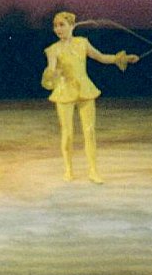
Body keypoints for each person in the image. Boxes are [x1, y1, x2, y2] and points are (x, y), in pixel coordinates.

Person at [42, 11, 138, 184]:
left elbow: (100, 57)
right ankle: (68, 169)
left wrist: (122, 58)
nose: (58, 29)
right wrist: (52, 73)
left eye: (62, 25)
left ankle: (93, 170)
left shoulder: (82, 43)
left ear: (72, 26)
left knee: (90, 131)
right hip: (64, 90)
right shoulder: (53, 49)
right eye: (55, 26)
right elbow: (52, 68)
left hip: (85, 89)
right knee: (67, 133)